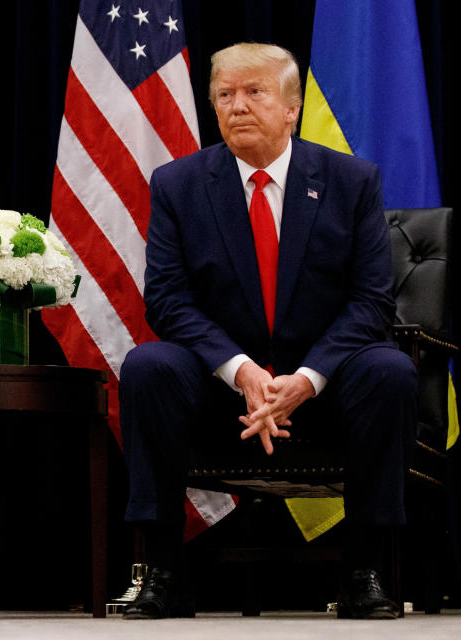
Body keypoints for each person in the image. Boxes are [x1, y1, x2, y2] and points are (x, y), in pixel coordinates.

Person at [118, 43, 417, 620]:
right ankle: (163, 572)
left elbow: (371, 300)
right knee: (149, 367)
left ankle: (364, 571)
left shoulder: (351, 181)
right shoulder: (178, 184)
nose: (237, 107)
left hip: (325, 389)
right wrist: (242, 371)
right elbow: (167, 299)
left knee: (390, 370)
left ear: (291, 107)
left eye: (254, 92)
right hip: (219, 390)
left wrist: (305, 379)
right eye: (225, 95)